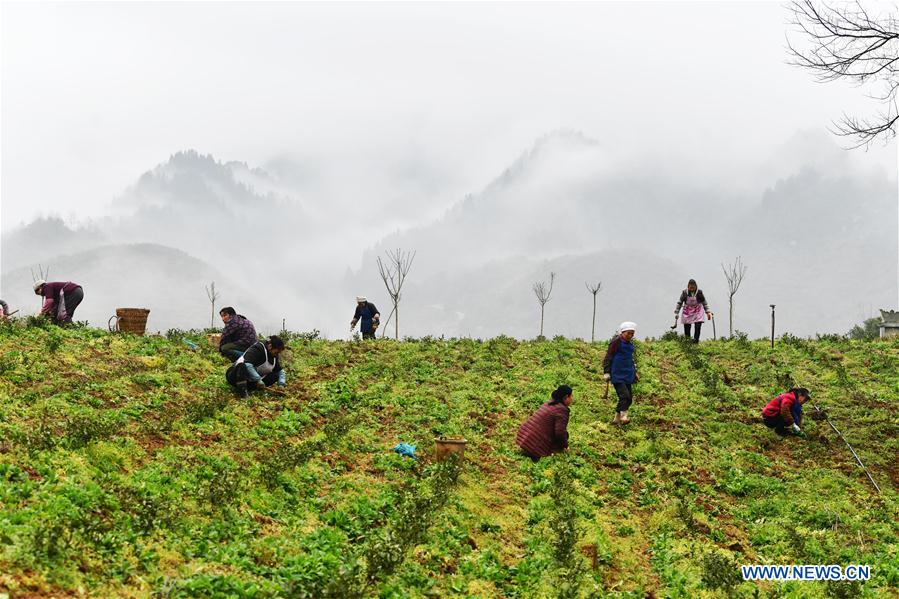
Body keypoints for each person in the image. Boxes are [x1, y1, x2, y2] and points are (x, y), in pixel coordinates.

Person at [516, 385, 573, 461]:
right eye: (571, 396)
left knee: (566, 435)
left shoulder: (549, 403)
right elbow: (560, 433)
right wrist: (565, 446)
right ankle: (536, 453)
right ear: (566, 397)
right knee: (563, 436)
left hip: (523, 437)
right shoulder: (562, 410)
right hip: (534, 443)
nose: (572, 398)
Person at [603, 322, 639, 425]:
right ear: (623, 332)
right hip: (617, 374)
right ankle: (624, 416)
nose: (630, 336)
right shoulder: (616, 342)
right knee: (624, 396)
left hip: (628, 374)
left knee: (629, 398)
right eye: (628, 333)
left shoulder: (630, 344)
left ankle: (616, 418)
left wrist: (635, 372)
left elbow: (630, 360)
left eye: (632, 333)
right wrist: (606, 372)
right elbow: (608, 357)